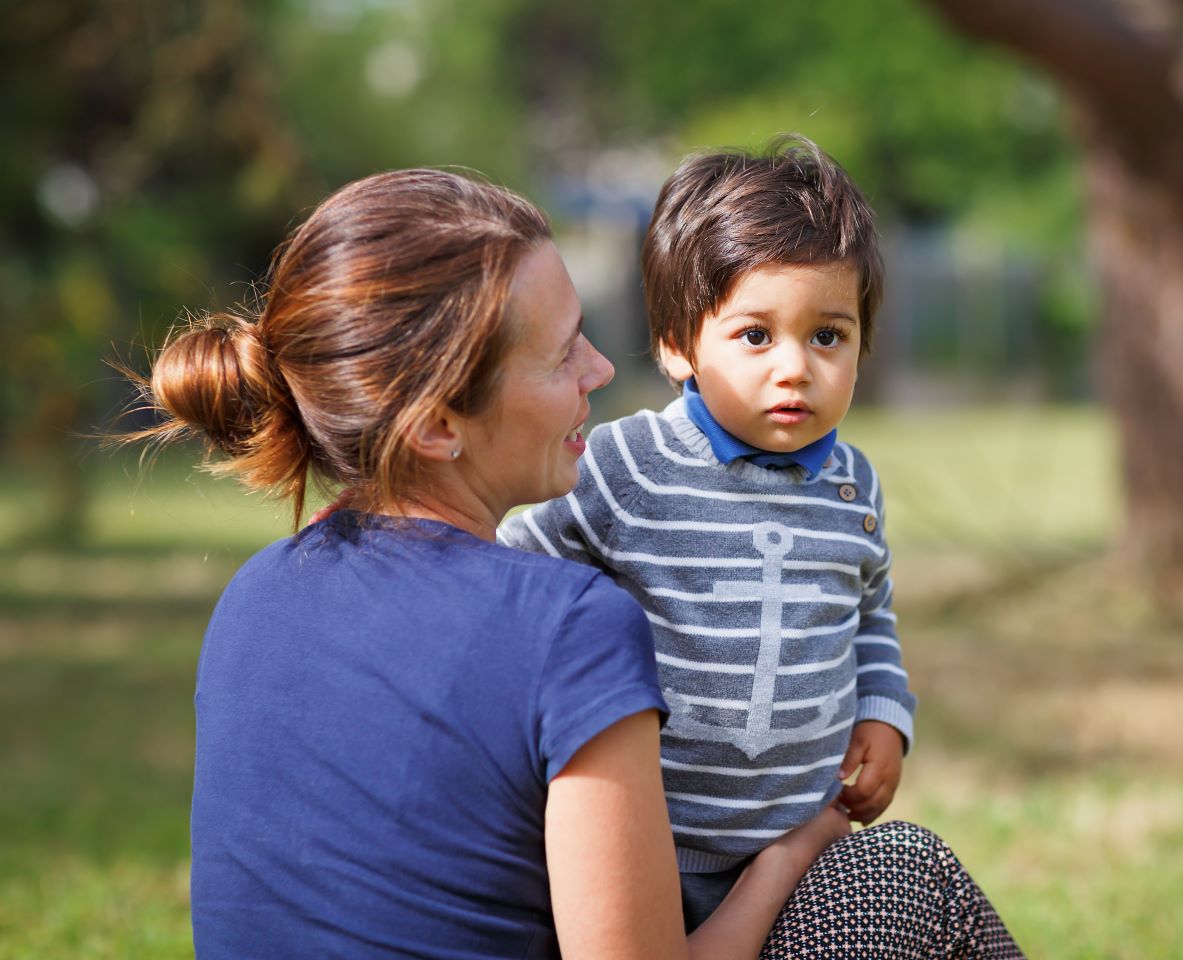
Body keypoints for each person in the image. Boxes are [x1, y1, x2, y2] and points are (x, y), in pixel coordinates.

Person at [129, 166, 1024, 958]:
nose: (601, 368)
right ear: (439, 423)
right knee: (903, 872)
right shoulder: (567, 622)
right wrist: (794, 849)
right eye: (563, 354)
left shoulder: (251, 595)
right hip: (722, 871)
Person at [499, 136, 917, 929]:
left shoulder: (852, 484)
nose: (793, 368)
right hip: (648, 849)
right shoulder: (630, 465)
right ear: (677, 345)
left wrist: (884, 713)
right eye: (755, 336)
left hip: (800, 842)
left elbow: (870, 616)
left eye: (827, 335)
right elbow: (514, 565)